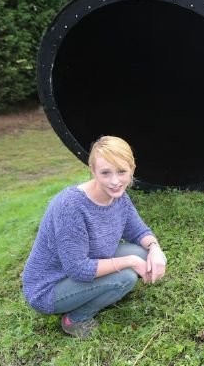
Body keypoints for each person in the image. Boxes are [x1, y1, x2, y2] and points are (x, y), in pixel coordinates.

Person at [22, 135, 167, 338]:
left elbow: (138, 231)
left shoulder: (120, 197)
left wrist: (155, 249)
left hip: (87, 260)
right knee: (125, 277)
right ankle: (75, 319)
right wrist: (130, 262)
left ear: (132, 169)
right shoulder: (70, 206)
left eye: (122, 172)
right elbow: (77, 269)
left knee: (142, 252)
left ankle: (97, 291)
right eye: (105, 173)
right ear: (93, 171)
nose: (115, 181)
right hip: (50, 287)